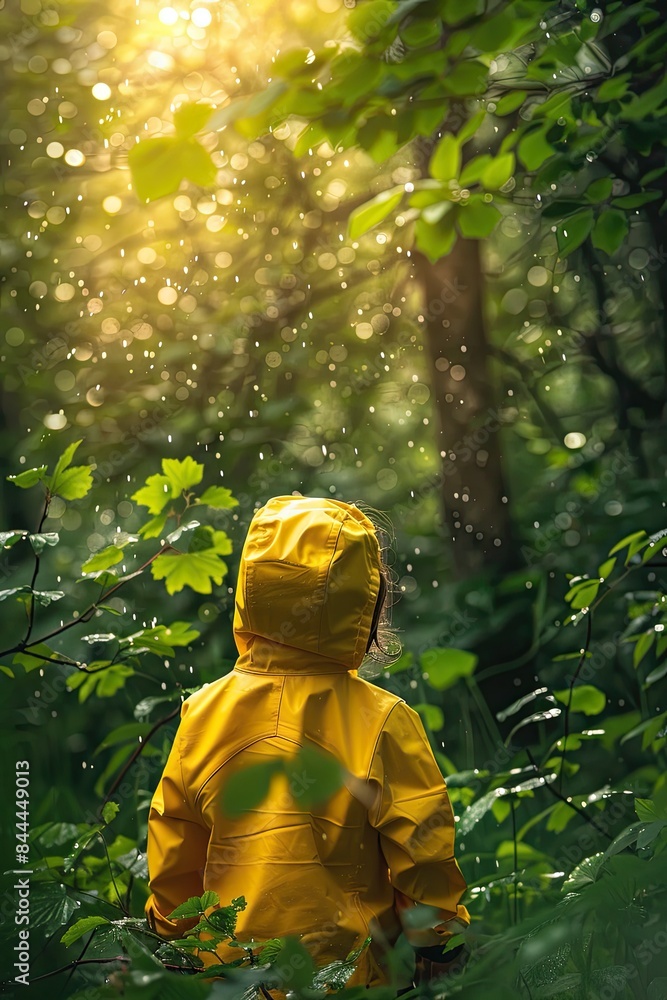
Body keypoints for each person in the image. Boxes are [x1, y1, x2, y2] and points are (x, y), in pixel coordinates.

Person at [145, 495, 470, 992]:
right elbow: (421, 847)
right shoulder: (382, 719)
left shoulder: (203, 712)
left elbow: (175, 846)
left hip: (232, 976)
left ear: (252, 590)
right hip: (349, 979)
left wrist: (176, 937)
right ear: (363, 605)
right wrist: (437, 942)